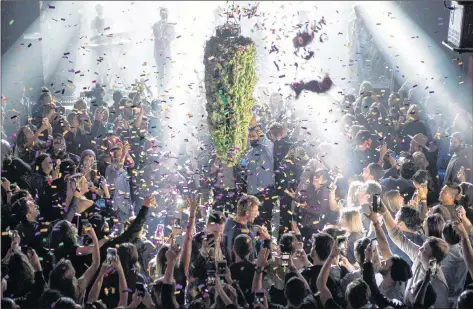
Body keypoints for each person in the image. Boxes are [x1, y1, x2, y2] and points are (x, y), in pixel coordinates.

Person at [223, 195, 261, 262]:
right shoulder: (242, 234)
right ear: (247, 213)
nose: (257, 214)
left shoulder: (230, 221)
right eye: (255, 211)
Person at [152, 7, 176, 93]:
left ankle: (167, 90)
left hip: (167, 53)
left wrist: (166, 37)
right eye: (162, 13)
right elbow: (156, 36)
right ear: (160, 14)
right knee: (160, 73)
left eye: (165, 13)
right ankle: (160, 92)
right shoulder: (156, 25)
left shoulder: (170, 25)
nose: (163, 15)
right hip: (158, 53)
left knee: (169, 73)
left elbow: (173, 37)